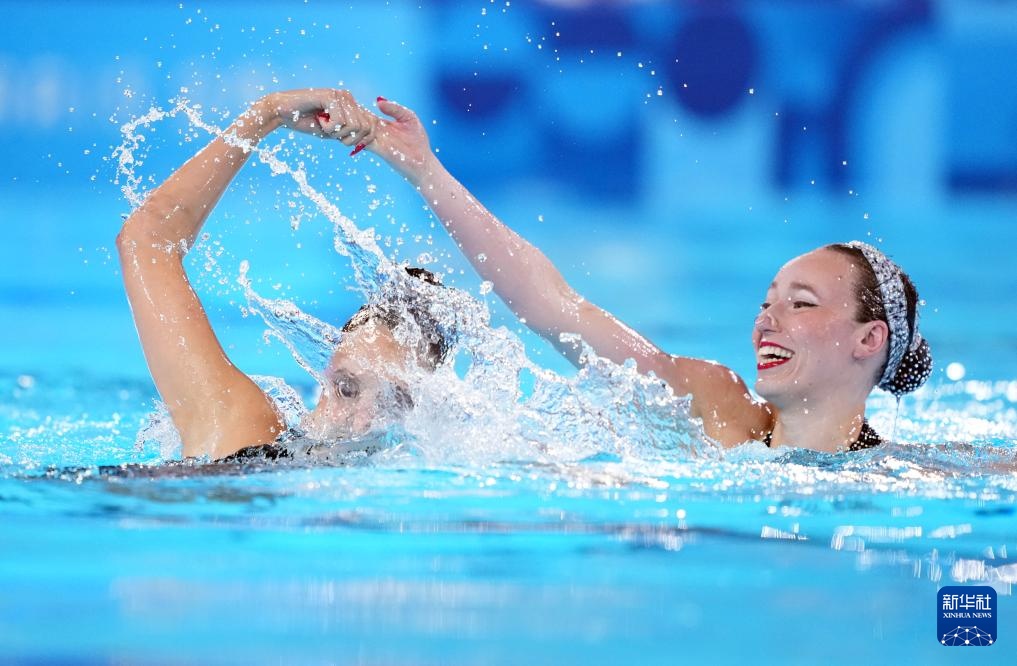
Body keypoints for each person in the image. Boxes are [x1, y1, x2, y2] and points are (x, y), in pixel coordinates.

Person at [356, 94, 933, 453]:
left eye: (801, 303)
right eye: (767, 302)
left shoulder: (915, 478)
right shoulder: (714, 408)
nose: (765, 322)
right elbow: (555, 307)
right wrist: (425, 171)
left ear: (869, 339)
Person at [116, 89, 448, 461]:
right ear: (325, 373)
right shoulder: (244, 431)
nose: (359, 424)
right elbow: (147, 239)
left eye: (394, 401)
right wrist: (266, 115)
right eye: (346, 389)